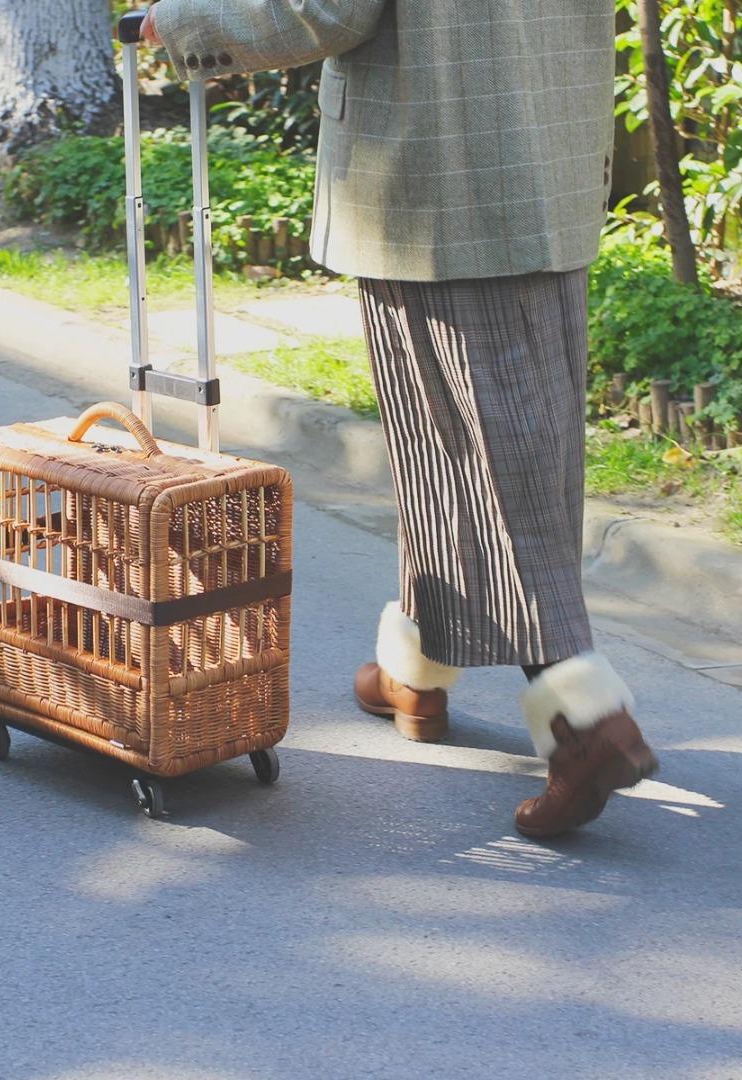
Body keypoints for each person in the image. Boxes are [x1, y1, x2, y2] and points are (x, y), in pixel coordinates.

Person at [138, 0, 658, 837]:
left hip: (430, 172)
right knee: (477, 444)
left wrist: (187, 20)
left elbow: (324, 9)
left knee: (484, 458)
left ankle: (587, 720)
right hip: (551, 160)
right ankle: (416, 667)